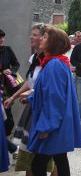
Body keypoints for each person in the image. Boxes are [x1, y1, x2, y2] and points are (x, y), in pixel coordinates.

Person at [27, 26, 81, 176]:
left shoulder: (53, 65)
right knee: (60, 160)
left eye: (45, 37)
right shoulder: (56, 62)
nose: (40, 39)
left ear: (53, 43)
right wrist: (30, 98)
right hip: (58, 123)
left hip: (53, 125)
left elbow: (55, 99)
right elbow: (49, 91)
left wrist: (46, 127)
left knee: (38, 165)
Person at [4, 24, 56, 175]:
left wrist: (32, 94)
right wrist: (13, 97)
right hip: (31, 109)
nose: (31, 37)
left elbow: (48, 89)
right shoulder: (35, 58)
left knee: (47, 158)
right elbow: (29, 81)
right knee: (30, 156)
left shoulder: (51, 61)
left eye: (35, 35)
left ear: (44, 38)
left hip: (42, 111)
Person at [0, 28, 20, 159]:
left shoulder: (7, 49)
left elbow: (16, 64)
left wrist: (10, 70)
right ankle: (10, 148)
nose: (1, 40)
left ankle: (7, 146)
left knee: (8, 120)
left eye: (2, 37)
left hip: (6, 90)